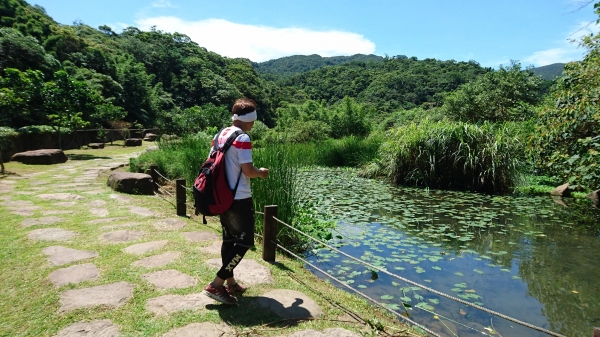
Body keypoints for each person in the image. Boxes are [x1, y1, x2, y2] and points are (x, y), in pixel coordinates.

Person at [202, 98, 269, 305]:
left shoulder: (220, 134)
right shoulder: (243, 138)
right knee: (245, 241)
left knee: (229, 240)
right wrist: (261, 173)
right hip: (239, 197)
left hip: (221, 196)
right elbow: (248, 170)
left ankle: (230, 283)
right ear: (250, 120)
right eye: (253, 121)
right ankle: (216, 284)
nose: (253, 125)